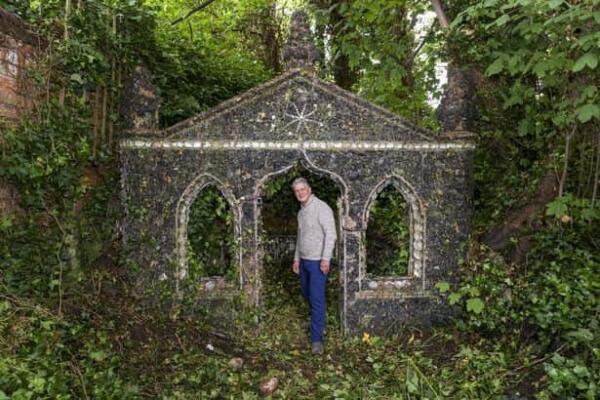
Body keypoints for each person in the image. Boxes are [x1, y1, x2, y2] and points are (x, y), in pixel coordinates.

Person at [291, 177, 337, 354]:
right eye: (297, 191)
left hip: (318, 261)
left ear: (309, 189)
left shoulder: (321, 208)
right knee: (306, 292)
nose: (300, 193)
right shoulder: (301, 212)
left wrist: (326, 258)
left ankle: (317, 340)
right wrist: (297, 258)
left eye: (303, 189)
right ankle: (316, 320)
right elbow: (299, 237)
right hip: (304, 261)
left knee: (317, 299)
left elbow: (331, 234)